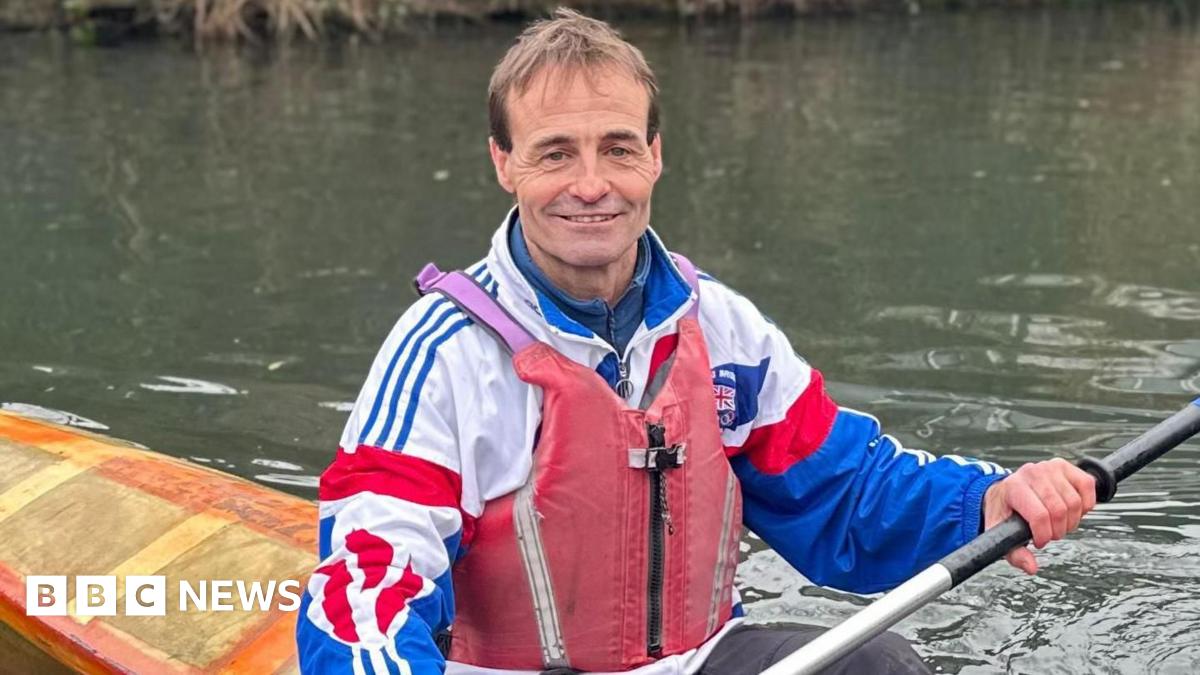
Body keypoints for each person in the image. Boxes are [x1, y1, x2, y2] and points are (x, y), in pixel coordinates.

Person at [295, 8, 1098, 675]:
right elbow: (366, 589)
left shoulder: (720, 325)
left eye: (617, 148)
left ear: (655, 156)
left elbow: (849, 490)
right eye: (555, 154)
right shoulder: (443, 354)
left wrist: (989, 501)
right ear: (504, 163)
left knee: (880, 664)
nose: (590, 185)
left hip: (701, 659)